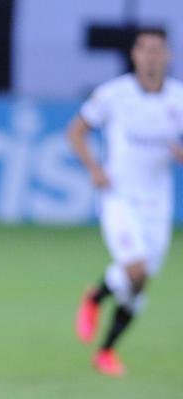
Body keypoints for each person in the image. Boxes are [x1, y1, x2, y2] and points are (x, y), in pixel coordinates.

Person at [68, 26, 183, 377]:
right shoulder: (114, 94)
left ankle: (105, 348)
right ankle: (96, 300)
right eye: (144, 49)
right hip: (120, 197)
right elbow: (76, 131)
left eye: (157, 50)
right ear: (134, 55)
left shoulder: (178, 98)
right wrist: (94, 168)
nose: (151, 56)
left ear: (168, 56)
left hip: (157, 204)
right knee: (135, 270)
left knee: (138, 284)